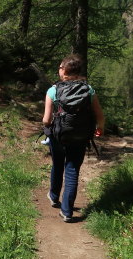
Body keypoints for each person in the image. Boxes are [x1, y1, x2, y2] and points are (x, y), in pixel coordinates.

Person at [42, 54, 104, 222]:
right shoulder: (88, 90)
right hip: (81, 136)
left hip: (58, 136)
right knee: (72, 169)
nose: (59, 70)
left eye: (60, 67)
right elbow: (99, 116)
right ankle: (67, 211)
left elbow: (46, 120)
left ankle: (54, 196)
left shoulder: (53, 90)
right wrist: (99, 129)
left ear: (65, 71)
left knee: (58, 164)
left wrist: (48, 127)